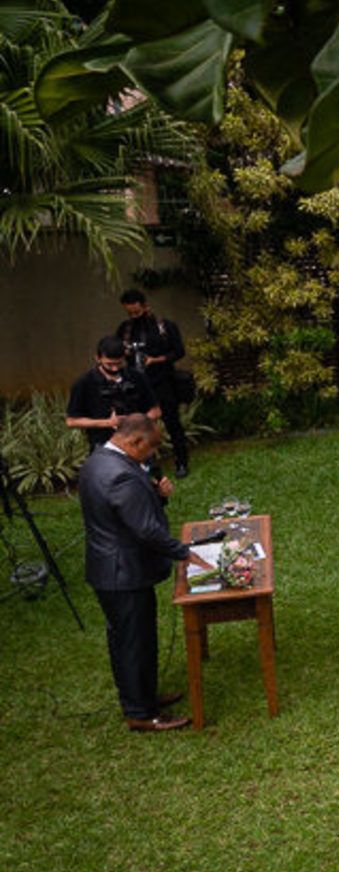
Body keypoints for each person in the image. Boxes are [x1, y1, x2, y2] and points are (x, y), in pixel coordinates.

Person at [76, 414, 211, 732]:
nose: (152, 455)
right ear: (134, 441)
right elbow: (146, 529)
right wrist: (185, 553)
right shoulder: (120, 476)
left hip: (109, 569)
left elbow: (124, 511)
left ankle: (141, 696)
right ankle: (141, 713)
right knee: (134, 641)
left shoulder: (99, 460)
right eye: (150, 448)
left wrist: (156, 495)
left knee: (128, 638)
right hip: (123, 572)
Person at [116, 288, 190, 475]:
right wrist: (124, 353)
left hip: (162, 381)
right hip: (137, 387)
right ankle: (143, 464)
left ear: (145, 306)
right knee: (138, 426)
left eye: (137, 312)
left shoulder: (163, 327)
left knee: (172, 423)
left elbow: (179, 351)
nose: (134, 316)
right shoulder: (125, 330)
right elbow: (116, 355)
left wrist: (155, 360)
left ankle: (181, 461)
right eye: (129, 313)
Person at [66, 337, 160, 449]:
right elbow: (71, 421)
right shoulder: (84, 383)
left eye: (119, 363)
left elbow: (155, 411)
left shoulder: (137, 377)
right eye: (109, 364)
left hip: (137, 441)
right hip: (104, 444)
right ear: (98, 358)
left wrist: (134, 424)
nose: (115, 369)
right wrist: (108, 423)